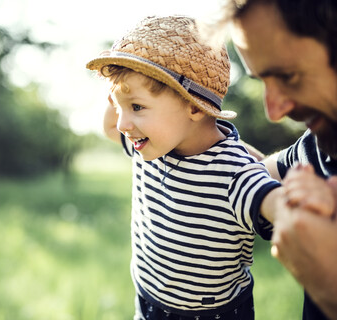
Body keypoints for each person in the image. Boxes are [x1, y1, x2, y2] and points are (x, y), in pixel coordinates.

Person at [86, 15, 285, 320]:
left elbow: (277, 205)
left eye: (137, 107)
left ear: (193, 105)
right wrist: (119, 87)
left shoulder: (235, 172)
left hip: (213, 314)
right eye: (118, 107)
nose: (123, 123)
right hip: (148, 298)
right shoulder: (148, 147)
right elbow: (112, 129)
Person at [215, 0, 337, 319]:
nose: (274, 111)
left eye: (288, 76)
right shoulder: (318, 150)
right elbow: (248, 173)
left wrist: (329, 286)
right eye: (262, 81)